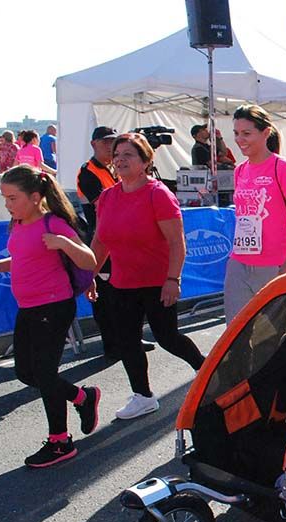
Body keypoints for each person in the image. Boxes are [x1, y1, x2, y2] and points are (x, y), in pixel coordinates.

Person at [0, 166, 100, 466]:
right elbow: (21, 258)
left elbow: (90, 259)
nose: (7, 204)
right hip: (29, 307)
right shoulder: (18, 223)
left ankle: (60, 442)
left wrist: (65, 243)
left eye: (12, 198)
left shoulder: (53, 223)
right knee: (26, 373)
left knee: (45, 375)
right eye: (5, 198)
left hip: (54, 307)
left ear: (35, 197)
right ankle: (82, 398)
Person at [91, 133, 206, 419]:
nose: (120, 160)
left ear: (145, 161)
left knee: (167, 337)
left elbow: (177, 242)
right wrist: (88, 275)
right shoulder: (106, 197)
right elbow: (100, 242)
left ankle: (205, 370)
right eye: (117, 155)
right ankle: (143, 396)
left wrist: (172, 280)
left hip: (157, 282)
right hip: (121, 283)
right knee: (126, 341)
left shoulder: (158, 194)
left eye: (128, 155)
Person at [225, 104, 286, 322]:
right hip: (239, 264)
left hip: (276, 265)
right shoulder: (240, 170)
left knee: (275, 339)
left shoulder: (282, 167)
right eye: (236, 133)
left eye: (246, 133)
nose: (240, 139)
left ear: (265, 133)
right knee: (235, 335)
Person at [77, 126, 139, 361]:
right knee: (105, 295)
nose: (109, 147)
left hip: (122, 241)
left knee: (125, 294)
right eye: (105, 142)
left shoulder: (115, 169)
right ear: (94, 144)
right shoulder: (87, 172)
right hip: (102, 241)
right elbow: (104, 205)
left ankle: (130, 338)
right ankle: (111, 344)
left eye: (113, 142)